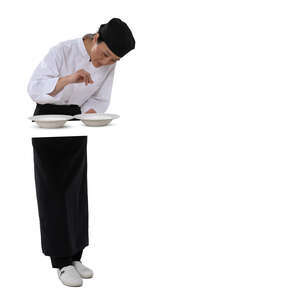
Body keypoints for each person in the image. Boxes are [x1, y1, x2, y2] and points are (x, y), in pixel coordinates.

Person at [27, 18, 135, 287]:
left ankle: (75, 255)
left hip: (76, 121)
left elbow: (99, 100)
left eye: (113, 60)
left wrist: (89, 116)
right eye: (105, 53)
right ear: (96, 37)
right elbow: (35, 89)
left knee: (75, 189)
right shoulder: (63, 51)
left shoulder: (109, 66)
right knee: (53, 189)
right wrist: (68, 79)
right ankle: (60, 262)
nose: (105, 62)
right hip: (48, 121)